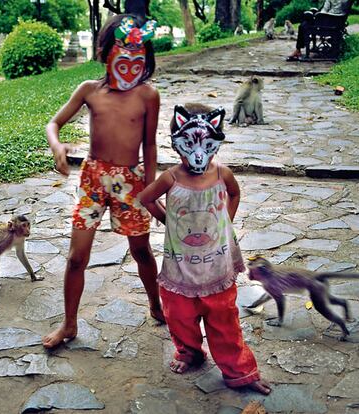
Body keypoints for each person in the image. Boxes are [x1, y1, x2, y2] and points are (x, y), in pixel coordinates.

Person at [42, 14, 164, 349]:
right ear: (104, 50)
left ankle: (155, 303)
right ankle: (69, 324)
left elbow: (149, 145)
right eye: (120, 51)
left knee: (141, 251)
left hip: (132, 182)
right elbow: (54, 123)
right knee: (76, 257)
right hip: (92, 180)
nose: (128, 61)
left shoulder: (147, 96)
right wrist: (58, 146)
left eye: (137, 54)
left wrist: (150, 189)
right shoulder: (89, 91)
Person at [139, 103, 271, 395]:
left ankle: (240, 371)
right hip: (180, 268)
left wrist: (226, 221)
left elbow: (234, 194)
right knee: (179, 314)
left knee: (224, 320)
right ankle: (190, 352)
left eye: (206, 143)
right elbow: (146, 198)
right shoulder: (171, 177)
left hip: (216, 266)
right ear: (176, 145)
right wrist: (167, 221)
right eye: (189, 143)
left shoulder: (223, 174)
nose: (198, 152)